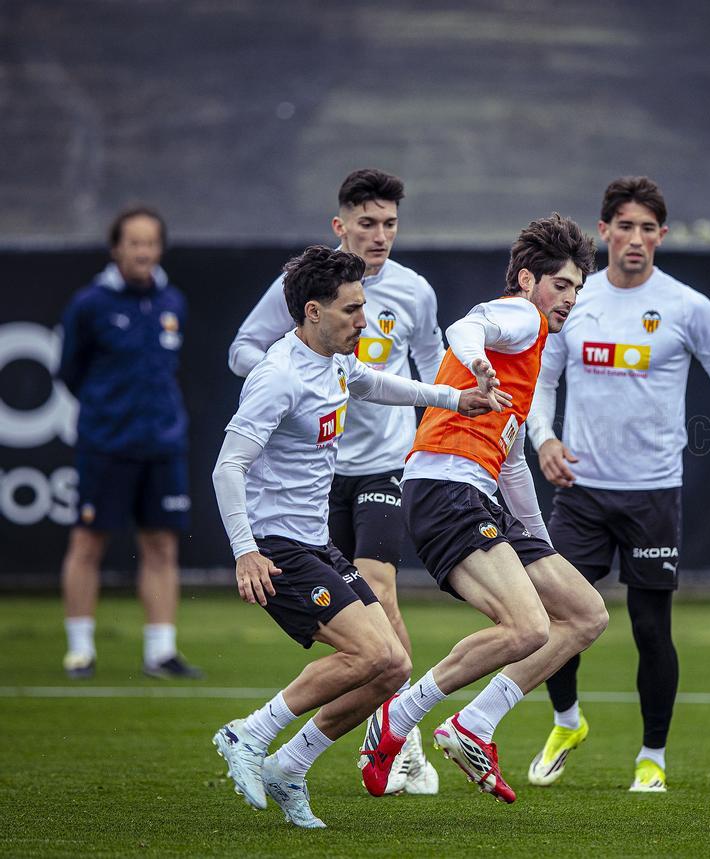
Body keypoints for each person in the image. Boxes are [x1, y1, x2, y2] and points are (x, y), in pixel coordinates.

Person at [210, 246, 500, 829]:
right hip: (276, 548)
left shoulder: (337, 361)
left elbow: (373, 383)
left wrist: (455, 399)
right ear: (312, 312)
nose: (363, 321)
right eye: (351, 310)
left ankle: (290, 765)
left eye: (364, 306)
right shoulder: (277, 377)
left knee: (392, 666)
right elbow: (226, 468)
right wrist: (245, 552)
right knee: (370, 653)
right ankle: (248, 734)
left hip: (316, 544)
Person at [358, 214, 610, 805]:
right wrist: (476, 365)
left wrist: (540, 543)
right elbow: (464, 326)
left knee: (586, 614)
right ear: (528, 280)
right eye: (562, 285)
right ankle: (397, 718)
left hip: (478, 492)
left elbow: (515, 461)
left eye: (577, 288)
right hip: (445, 487)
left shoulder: (533, 345)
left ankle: (474, 723)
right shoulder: (518, 317)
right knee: (528, 627)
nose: (570, 298)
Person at [525, 176, 710, 793]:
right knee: (559, 617)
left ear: (662, 235)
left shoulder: (688, 307)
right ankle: (567, 722)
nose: (636, 239)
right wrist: (544, 438)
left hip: (654, 494)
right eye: (624, 227)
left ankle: (651, 756)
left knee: (651, 629)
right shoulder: (576, 300)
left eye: (647, 228)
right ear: (603, 232)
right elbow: (539, 382)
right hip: (580, 493)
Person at [228, 168, 444, 795]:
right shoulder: (298, 322)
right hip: (306, 497)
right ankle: (265, 736)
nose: (380, 235)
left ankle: (393, 742)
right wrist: (291, 382)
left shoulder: (412, 293)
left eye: (390, 224)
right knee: (377, 651)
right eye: (368, 223)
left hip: (380, 465)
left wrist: (453, 404)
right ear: (340, 225)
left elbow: (399, 375)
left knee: (384, 612)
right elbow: (246, 353)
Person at [57, 205, 202, 680]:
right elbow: (70, 372)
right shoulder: (90, 304)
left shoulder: (172, 302)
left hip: (163, 445)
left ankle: (160, 652)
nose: (143, 251)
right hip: (106, 444)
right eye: (134, 242)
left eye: (151, 242)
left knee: (161, 545)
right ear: (116, 247)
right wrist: (109, 412)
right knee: (88, 542)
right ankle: (80, 651)